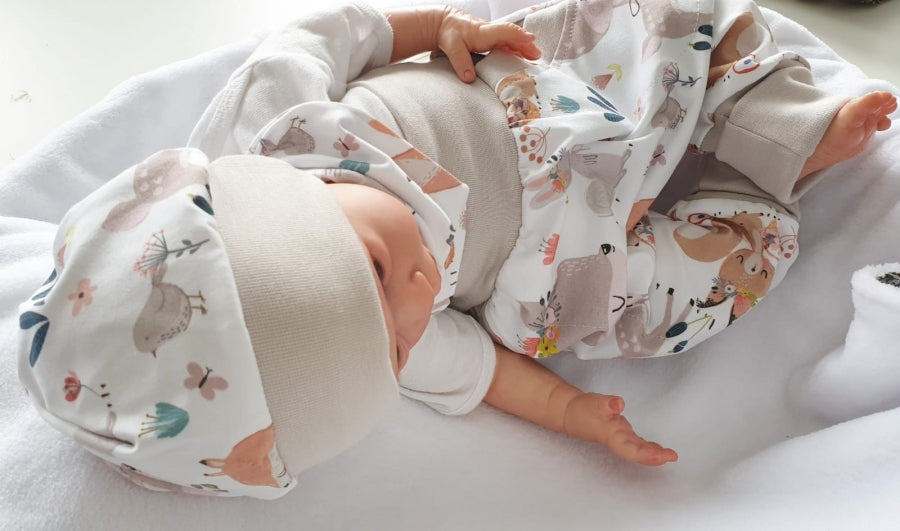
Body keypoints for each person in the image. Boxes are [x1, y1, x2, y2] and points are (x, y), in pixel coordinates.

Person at [18, 0, 896, 498]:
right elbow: (483, 370)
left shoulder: (272, 126)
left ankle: (766, 103)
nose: (418, 289)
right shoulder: (376, 344)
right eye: (396, 346)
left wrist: (435, 26)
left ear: (276, 196)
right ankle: (769, 173)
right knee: (645, 309)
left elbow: (332, 36)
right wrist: (572, 412)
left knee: (652, 20)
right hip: (551, 254)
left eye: (374, 267)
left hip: (531, 93)